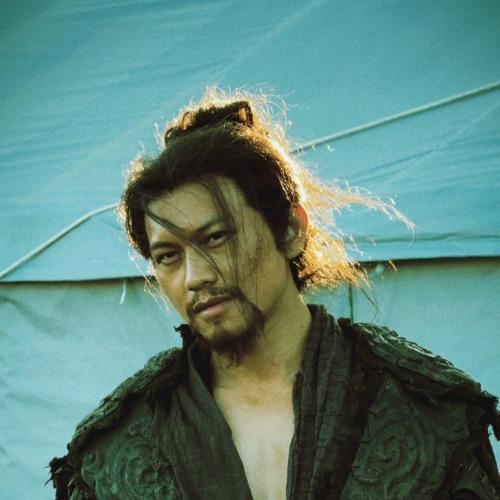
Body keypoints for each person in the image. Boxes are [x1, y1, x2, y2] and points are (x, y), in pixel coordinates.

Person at [49, 89, 500, 499]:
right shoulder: (116, 446)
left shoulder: (424, 409)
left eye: (216, 239)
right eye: (169, 256)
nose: (194, 277)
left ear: (289, 230)